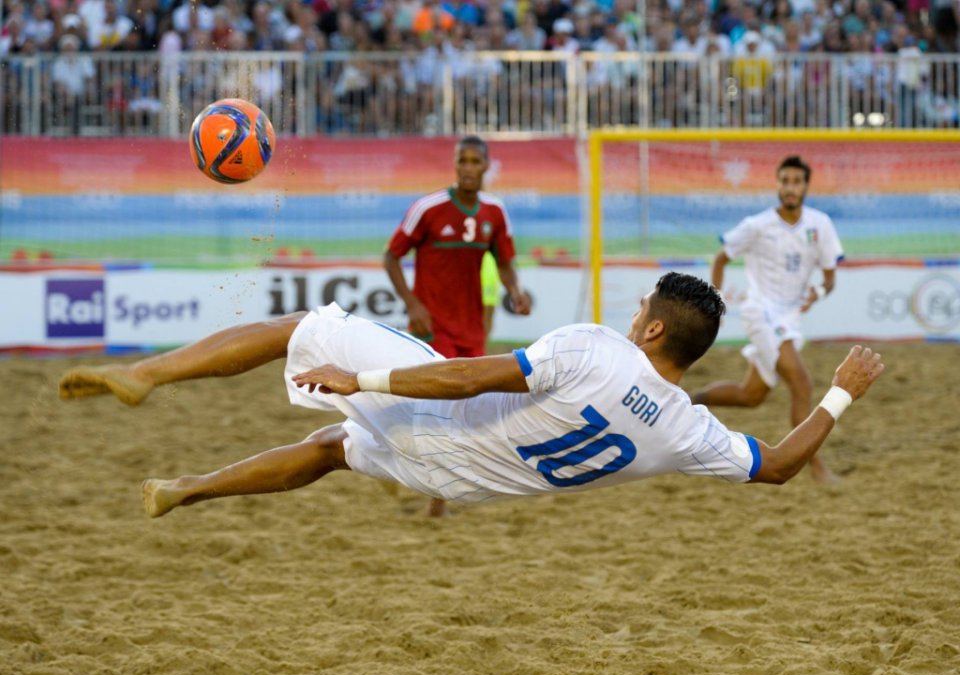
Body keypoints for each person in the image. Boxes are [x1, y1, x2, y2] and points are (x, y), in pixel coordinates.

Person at [57, 273, 884, 521]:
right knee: (327, 451)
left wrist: (364, 379)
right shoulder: (687, 429)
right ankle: (183, 490)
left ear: (656, 332)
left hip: (434, 417)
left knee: (305, 325)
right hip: (458, 483)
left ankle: (149, 375)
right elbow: (776, 466)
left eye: (644, 309)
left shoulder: (599, 347)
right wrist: (841, 395)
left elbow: (468, 374)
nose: (634, 313)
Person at [384, 134, 531, 515]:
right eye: (462, 161)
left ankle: (436, 493)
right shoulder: (428, 208)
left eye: (475, 161)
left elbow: (504, 262)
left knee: (463, 410)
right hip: (431, 326)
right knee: (439, 408)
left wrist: (515, 290)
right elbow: (391, 257)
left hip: (471, 329)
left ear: (486, 166)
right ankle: (433, 494)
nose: (468, 168)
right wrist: (413, 304)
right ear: (455, 165)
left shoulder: (494, 214)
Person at [691, 156, 844, 484]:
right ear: (777, 184)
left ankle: (689, 400)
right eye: (784, 181)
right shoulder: (757, 225)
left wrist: (817, 291)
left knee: (752, 395)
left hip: (789, 319)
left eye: (796, 182)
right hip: (760, 312)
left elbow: (830, 278)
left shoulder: (820, 225)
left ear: (806, 186)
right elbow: (721, 258)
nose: (790, 188)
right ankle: (817, 469)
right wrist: (714, 301)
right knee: (802, 384)